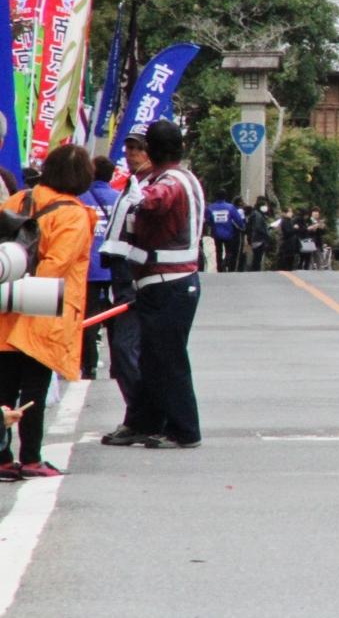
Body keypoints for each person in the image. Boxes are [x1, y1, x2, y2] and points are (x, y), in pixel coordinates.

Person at [103, 120, 206, 449]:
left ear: (151, 150)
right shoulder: (177, 177)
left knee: (167, 359)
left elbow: (157, 200)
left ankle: (184, 430)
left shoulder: (169, 182)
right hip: (165, 283)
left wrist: (140, 198)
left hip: (169, 283)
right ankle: (143, 421)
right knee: (152, 359)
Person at [0, 144, 95, 478]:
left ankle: (2, 457)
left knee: (4, 388)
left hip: (7, 305)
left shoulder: (17, 200)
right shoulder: (74, 215)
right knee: (34, 390)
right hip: (43, 309)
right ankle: (31, 457)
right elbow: (57, 265)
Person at [98, 129, 152, 444]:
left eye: (139, 148)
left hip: (134, 276)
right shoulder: (132, 183)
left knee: (125, 348)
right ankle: (137, 416)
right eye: (129, 148)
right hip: (120, 276)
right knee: (122, 351)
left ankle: (142, 417)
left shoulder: (151, 187)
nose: (132, 154)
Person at [80, 156, 120, 379]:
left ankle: (89, 366)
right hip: (113, 268)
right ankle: (118, 365)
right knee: (116, 318)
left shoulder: (80, 199)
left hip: (89, 269)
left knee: (89, 318)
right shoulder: (119, 198)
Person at [204, 189, 245, 273]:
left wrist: (213, 225)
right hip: (229, 234)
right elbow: (238, 219)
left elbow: (207, 220)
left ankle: (219, 268)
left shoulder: (211, 207)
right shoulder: (230, 207)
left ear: (216, 197)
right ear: (225, 196)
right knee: (229, 251)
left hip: (216, 234)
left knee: (218, 251)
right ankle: (227, 264)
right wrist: (242, 226)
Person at [246, 196, 270, 271]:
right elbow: (258, 227)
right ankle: (255, 271)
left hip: (256, 239)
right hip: (259, 239)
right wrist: (266, 232)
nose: (266, 207)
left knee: (257, 257)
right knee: (257, 258)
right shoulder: (258, 215)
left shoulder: (256, 213)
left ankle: (255, 270)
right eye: (265, 205)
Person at [275, 206, 299, 272]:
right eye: (290, 212)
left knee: (290, 260)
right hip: (286, 244)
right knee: (286, 261)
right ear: (285, 213)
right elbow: (288, 232)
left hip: (290, 244)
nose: (291, 213)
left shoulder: (289, 221)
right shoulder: (285, 221)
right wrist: (295, 228)